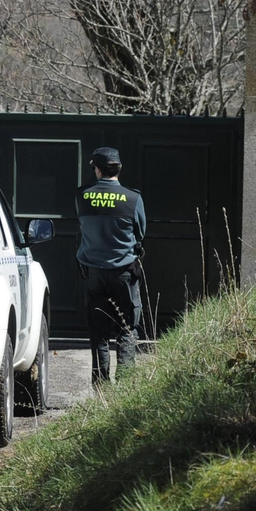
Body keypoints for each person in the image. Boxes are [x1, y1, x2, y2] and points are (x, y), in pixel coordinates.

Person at [76, 147, 147, 386]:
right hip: (124, 273)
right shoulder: (133, 198)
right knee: (127, 330)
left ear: (96, 169)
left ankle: (102, 390)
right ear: (119, 168)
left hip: (93, 273)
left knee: (98, 335)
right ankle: (126, 387)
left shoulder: (82, 196)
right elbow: (141, 232)